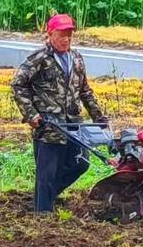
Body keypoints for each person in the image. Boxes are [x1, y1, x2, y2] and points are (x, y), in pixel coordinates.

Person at [11, 13, 108, 212]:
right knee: (47, 172)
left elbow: (84, 90)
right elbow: (18, 85)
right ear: (50, 34)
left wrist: (98, 116)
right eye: (61, 35)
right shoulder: (39, 59)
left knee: (80, 163)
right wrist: (31, 114)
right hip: (48, 125)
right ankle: (43, 214)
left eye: (69, 35)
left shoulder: (77, 59)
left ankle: (46, 196)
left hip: (73, 124)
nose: (66, 39)